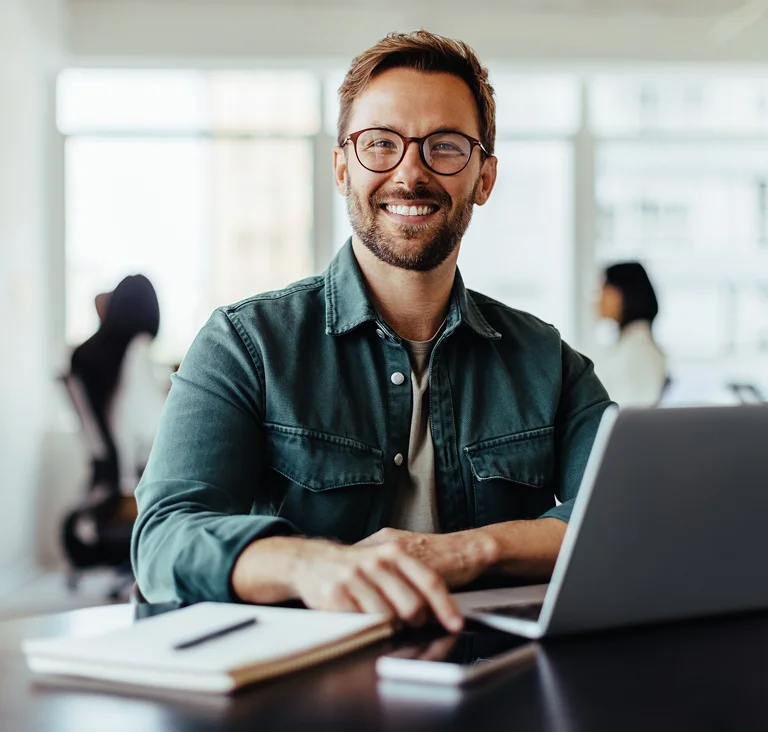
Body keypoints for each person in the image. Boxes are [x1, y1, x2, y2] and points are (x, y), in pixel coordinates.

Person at [132, 31, 612, 632]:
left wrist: (467, 549)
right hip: (302, 693)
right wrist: (310, 564)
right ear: (341, 168)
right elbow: (164, 538)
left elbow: (623, 518)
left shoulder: (550, 362)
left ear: (484, 178)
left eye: (444, 147)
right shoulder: (245, 343)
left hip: (497, 681)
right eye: (380, 144)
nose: (410, 173)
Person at [70, 274, 166, 496]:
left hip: (102, 482)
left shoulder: (86, 355)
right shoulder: (137, 351)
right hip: (133, 486)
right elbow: (151, 430)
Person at [592, 262, 668, 408]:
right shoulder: (630, 345)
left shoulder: (639, 352)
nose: (597, 298)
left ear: (621, 294)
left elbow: (627, 415)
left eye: (603, 289)